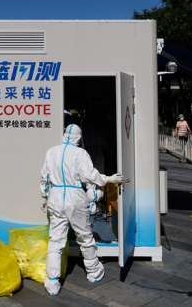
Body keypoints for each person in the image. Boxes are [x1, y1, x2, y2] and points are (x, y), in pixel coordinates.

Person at [39, 124, 128, 296]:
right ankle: (93, 271)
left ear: (64, 135)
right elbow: (90, 175)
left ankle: (52, 281)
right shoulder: (81, 153)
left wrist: (44, 196)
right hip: (75, 197)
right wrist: (109, 178)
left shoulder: (51, 152)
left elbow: (45, 176)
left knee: (56, 240)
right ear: (79, 138)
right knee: (85, 236)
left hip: (55, 196)